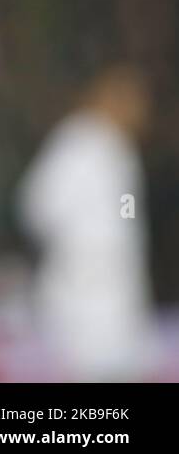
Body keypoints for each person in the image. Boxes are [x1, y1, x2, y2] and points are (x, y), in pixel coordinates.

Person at [17, 64, 159, 381]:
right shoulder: (77, 142)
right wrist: (78, 253)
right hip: (81, 292)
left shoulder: (121, 151)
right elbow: (36, 206)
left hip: (119, 293)